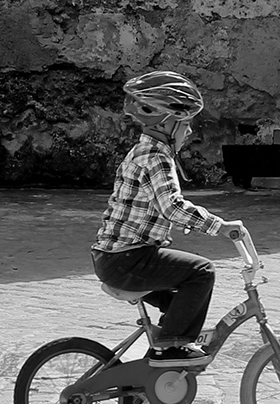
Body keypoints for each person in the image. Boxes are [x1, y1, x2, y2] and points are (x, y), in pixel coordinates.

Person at [92, 70, 244, 365]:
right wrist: (220, 227)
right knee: (202, 272)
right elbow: (172, 207)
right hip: (127, 260)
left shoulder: (145, 151)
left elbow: (160, 209)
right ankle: (170, 350)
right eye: (185, 124)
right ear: (166, 123)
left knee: (181, 304)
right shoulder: (157, 157)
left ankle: (158, 362)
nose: (189, 131)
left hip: (115, 259)